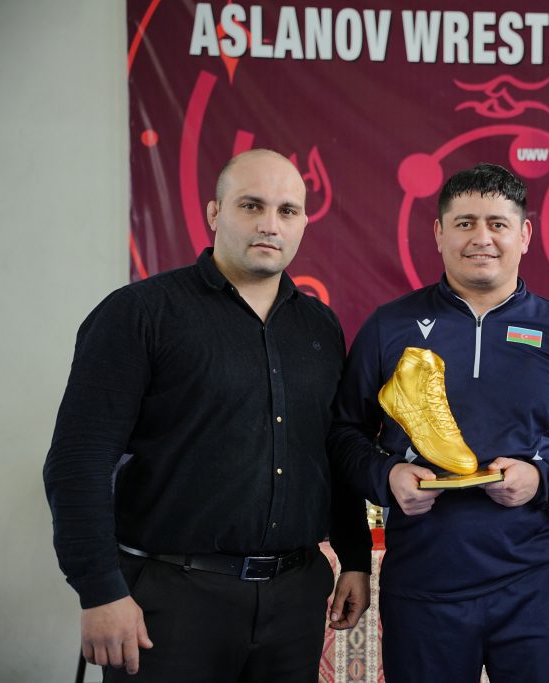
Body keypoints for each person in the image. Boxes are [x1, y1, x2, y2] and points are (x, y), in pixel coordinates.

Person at [43, 149, 371, 681]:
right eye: (251, 205)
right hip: (169, 601)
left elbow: (330, 451)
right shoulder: (138, 314)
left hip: (294, 600)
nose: (270, 225)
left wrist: (355, 556)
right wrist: (99, 590)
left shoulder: (320, 326)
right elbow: (78, 462)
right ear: (215, 213)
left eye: (287, 210)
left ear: (303, 223)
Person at [329, 163, 549, 683]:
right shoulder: (389, 327)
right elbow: (343, 435)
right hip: (423, 585)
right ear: (439, 233)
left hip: (537, 585)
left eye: (498, 224)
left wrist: (542, 481)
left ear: (524, 235)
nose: (482, 238)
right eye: (465, 223)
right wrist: (387, 476)